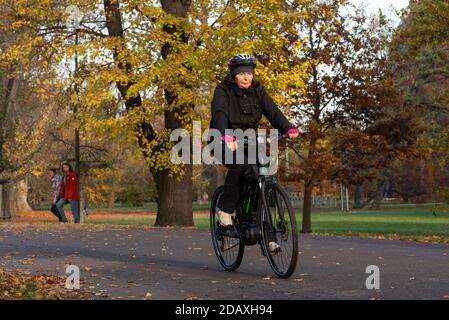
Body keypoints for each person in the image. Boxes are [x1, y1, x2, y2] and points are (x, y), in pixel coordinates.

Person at [210, 53, 299, 253]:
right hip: (222, 139)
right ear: (233, 75)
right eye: (241, 73)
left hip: (249, 140)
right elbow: (220, 114)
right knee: (240, 164)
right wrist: (225, 135)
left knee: (264, 177)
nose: (245, 77)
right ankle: (225, 211)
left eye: (248, 73)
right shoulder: (223, 91)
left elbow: (273, 111)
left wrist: (288, 128)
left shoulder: (257, 90)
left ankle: (268, 235)